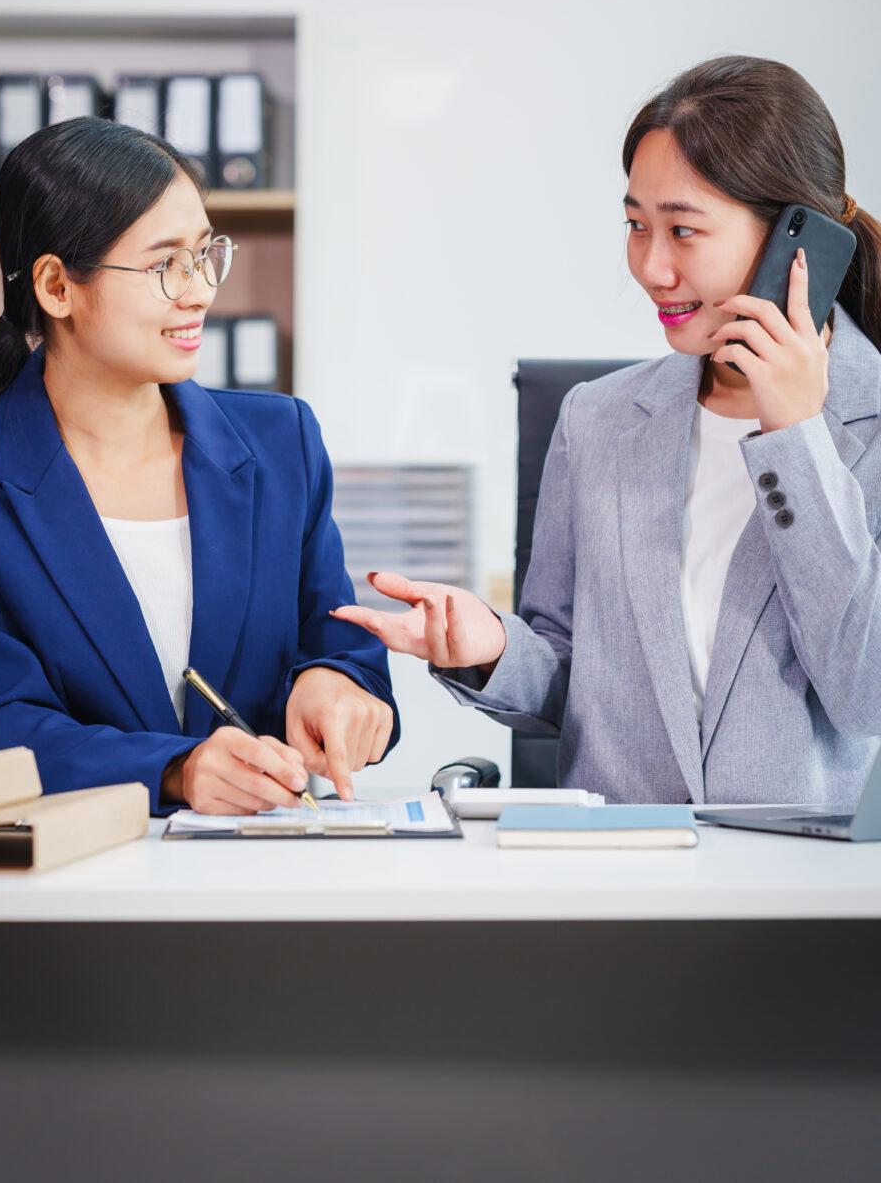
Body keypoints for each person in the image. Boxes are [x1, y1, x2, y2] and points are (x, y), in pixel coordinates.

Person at [336, 56, 881, 805]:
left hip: (801, 893)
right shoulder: (595, 419)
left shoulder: (869, 423)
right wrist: (492, 650)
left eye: (683, 230)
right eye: (635, 225)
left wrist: (794, 437)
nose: (651, 267)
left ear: (799, 242)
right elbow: (572, 680)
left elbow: (866, 693)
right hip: (615, 878)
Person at [0, 117, 396, 814]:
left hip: (269, 865)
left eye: (206, 254)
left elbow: (342, 648)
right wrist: (175, 769)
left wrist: (338, 688)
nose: (200, 292)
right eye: (166, 266)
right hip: (77, 878)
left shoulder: (283, 442)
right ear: (57, 287)